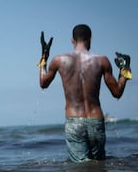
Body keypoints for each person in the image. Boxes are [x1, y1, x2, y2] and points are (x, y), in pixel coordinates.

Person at [38, 24, 132, 162]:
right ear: (90, 39)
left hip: (74, 121)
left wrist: (44, 57)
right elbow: (117, 92)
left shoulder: (58, 60)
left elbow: (43, 83)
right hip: (96, 121)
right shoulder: (102, 61)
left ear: (72, 40)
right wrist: (125, 69)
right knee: (99, 168)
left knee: (81, 171)